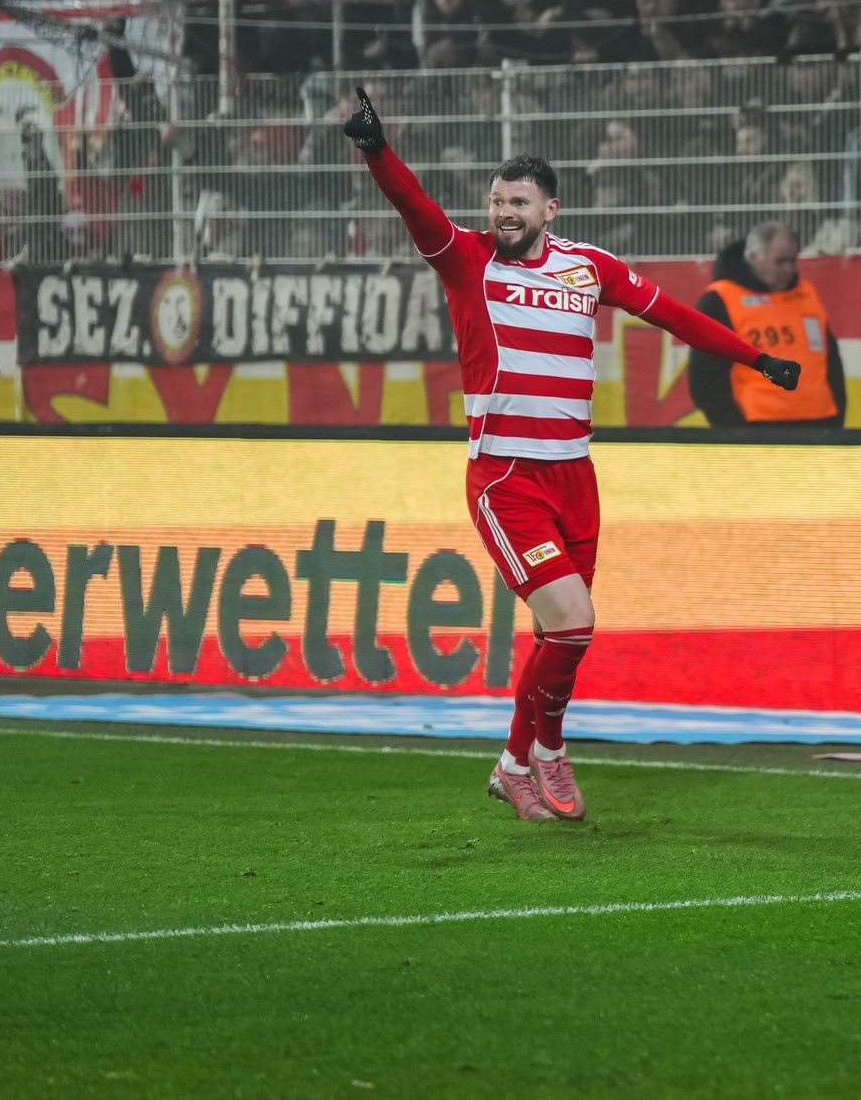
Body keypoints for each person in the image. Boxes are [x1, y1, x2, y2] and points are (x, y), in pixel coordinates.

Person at [340, 89, 801, 822]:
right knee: (574, 622)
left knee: (559, 635)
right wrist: (376, 150)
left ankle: (528, 757)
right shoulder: (467, 261)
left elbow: (675, 316)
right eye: (497, 201)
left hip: (575, 476)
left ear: (550, 210)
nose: (504, 213)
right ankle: (533, 755)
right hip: (507, 477)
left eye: (518, 203)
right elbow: (414, 207)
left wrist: (756, 359)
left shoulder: (589, 267)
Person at [692, 221, 847, 428]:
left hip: (820, 423)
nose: (789, 269)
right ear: (753, 257)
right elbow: (705, 376)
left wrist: (836, 419)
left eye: (793, 260)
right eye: (780, 261)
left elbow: (831, 361)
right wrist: (734, 430)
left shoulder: (807, 294)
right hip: (756, 426)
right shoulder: (720, 300)